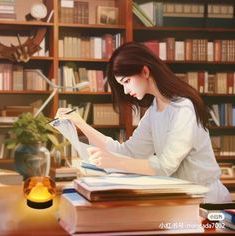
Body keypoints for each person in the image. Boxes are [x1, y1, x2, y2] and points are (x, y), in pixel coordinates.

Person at [57, 42, 231, 203]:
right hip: (182, 198)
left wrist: (113, 162)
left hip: (206, 200)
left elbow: (165, 166)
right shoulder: (155, 109)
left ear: (145, 72)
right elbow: (128, 152)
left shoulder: (183, 108)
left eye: (127, 81)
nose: (126, 90)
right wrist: (81, 124)